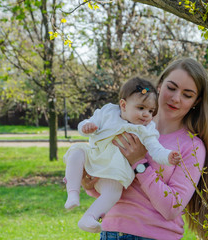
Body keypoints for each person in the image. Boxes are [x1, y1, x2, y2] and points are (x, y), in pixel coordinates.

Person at [82, 58, 208, 239]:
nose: (176, 98)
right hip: (111, 232)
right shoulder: (125, 125)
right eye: (171, 88)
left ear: (195, 101)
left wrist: (139, 163)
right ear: (159, 86)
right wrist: (90, 185)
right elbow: (114, 187)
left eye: (187, 95)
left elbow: (171, 208)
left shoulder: (192, 146)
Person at [63, 77, 181, 233]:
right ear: (123, 105)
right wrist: (86, 126)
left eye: (151, 111)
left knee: (113, 193)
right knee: (76, 153)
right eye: (141, 108)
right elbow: (86, 122)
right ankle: (72, 194)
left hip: (113, 172)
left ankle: (88, 218)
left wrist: (168, 156)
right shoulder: (108, 112)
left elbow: (156, 149)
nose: (146, 114)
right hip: (94, 156)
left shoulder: (146, 129)